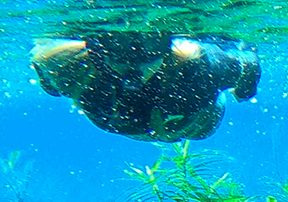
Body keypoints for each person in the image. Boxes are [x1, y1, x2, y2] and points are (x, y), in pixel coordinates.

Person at [32, 33, 260, 142]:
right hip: (124, 124)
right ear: (98, 48)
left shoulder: (199, 67)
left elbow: (248, 62)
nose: (135, 59)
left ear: (167, 46)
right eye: (117, 43)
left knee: (198, 128)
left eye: (151, 45)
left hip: (194, 122)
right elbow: (42, 66)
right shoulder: (69, 64)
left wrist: (244, 91)